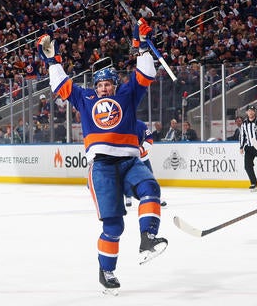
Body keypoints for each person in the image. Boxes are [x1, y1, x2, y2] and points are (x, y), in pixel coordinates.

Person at [38, 18, 167, 295]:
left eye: (107, 84)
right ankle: (106, 271)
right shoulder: (85, 99)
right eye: (100, 85)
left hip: (130, 161)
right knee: (114, 225)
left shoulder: (127, 95)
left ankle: (148, 238)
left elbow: (145, 76)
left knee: (149, 188)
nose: (103, 89)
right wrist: (52, 61)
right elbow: (62, 86)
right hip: (102, 167)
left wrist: (142, 47)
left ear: (114, 85)